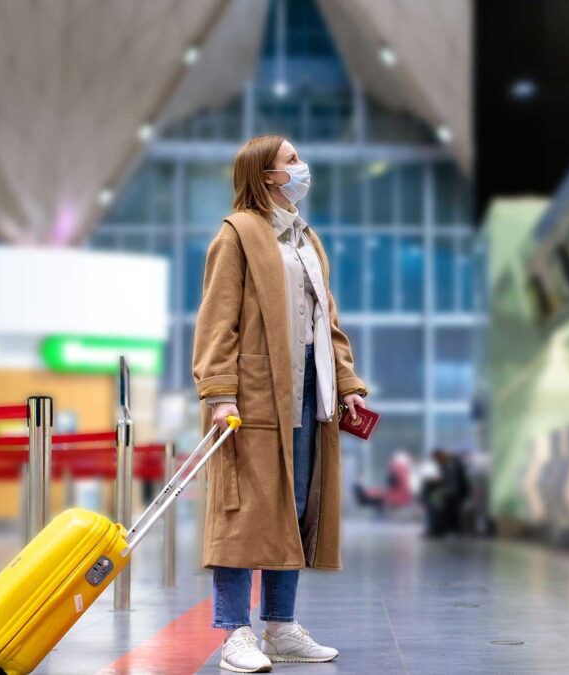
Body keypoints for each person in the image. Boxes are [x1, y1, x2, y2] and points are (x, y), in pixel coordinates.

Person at [193, 134, 369, 672]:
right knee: (244, 514)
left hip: (305, 399)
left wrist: (347, 384)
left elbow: (328, 324)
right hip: (252, 403)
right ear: (266, 175)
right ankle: (234, 634)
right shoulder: (238, 233)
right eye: (291, 160)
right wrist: (220, 394)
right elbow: (217, 321)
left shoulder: (306, 240)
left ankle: (281, 626)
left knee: (290, 513)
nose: (301, 167)